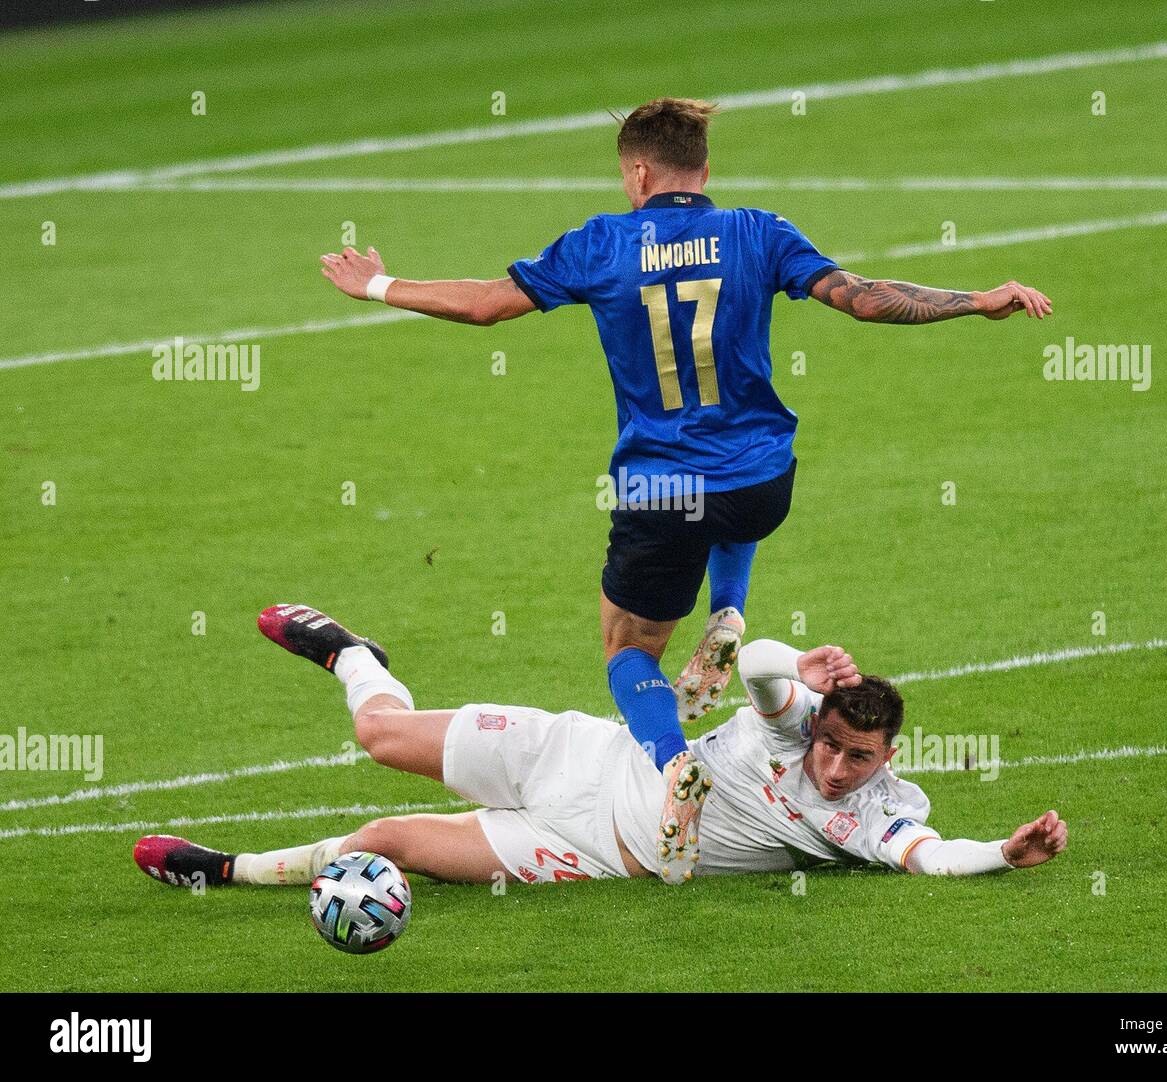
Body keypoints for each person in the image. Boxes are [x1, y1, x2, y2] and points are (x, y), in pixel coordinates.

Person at [317, 98, 1054, 880]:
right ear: (704, 169)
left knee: (628, 648)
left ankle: (673, 770)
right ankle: (729, 607)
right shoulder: (757, 231)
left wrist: (378, 284)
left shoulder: (601, 243)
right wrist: (975, 300)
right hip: (764, 482)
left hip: (663, 490)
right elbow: (863, 296)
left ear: (637, 171)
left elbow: (484, 306)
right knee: (739, 498)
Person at [134, 604, 1068, 890]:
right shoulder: (795, 723)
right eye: (829, 745)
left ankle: (226, 872)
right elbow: (764, 664)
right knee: (378, 733)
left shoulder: (875, 816)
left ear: (886, 758)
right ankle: (351, 653)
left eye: (856, 759)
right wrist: (806, 675)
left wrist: (1002, 852)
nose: (832, 768)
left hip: (590, 852)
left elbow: (933, 858)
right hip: (586, 760)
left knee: (381, 841)